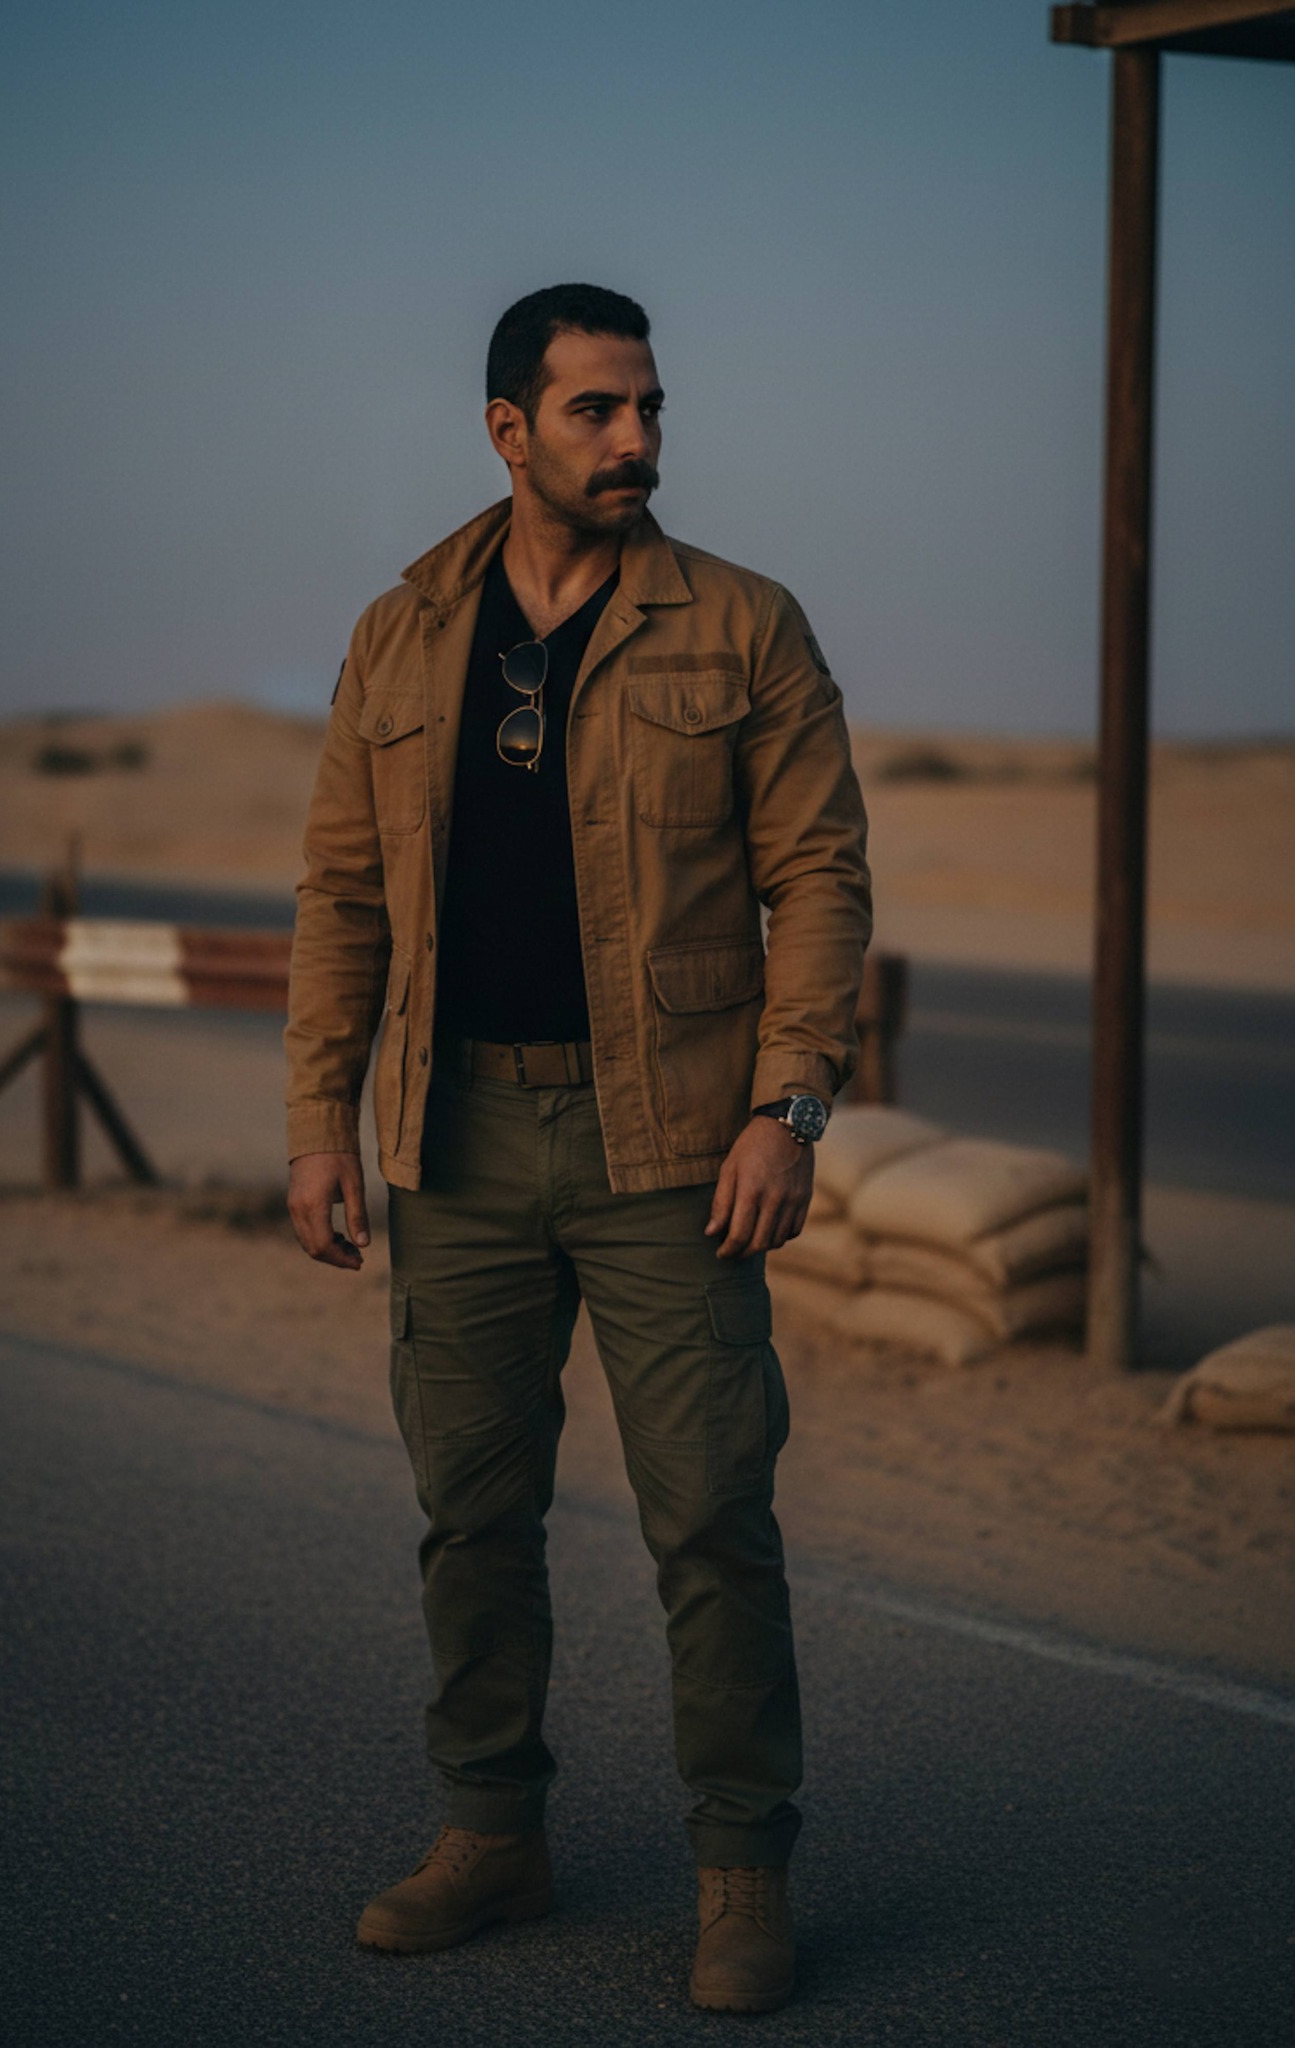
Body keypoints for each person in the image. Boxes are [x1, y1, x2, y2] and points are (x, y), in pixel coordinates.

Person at [285, 282, 871, 2014]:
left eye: (650, 408)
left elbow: (820, 878)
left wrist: (791, 1107)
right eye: (599, 410)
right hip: (452, 1142)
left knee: (711, 1520)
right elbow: (339, 889)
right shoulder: (404, 632)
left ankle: (742, 1873)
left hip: (675, 1148)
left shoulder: (742, 625)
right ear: (508, 431)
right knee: (471, 1515)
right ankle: (492, 1833)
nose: (637, 440)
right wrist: (318, 1113)